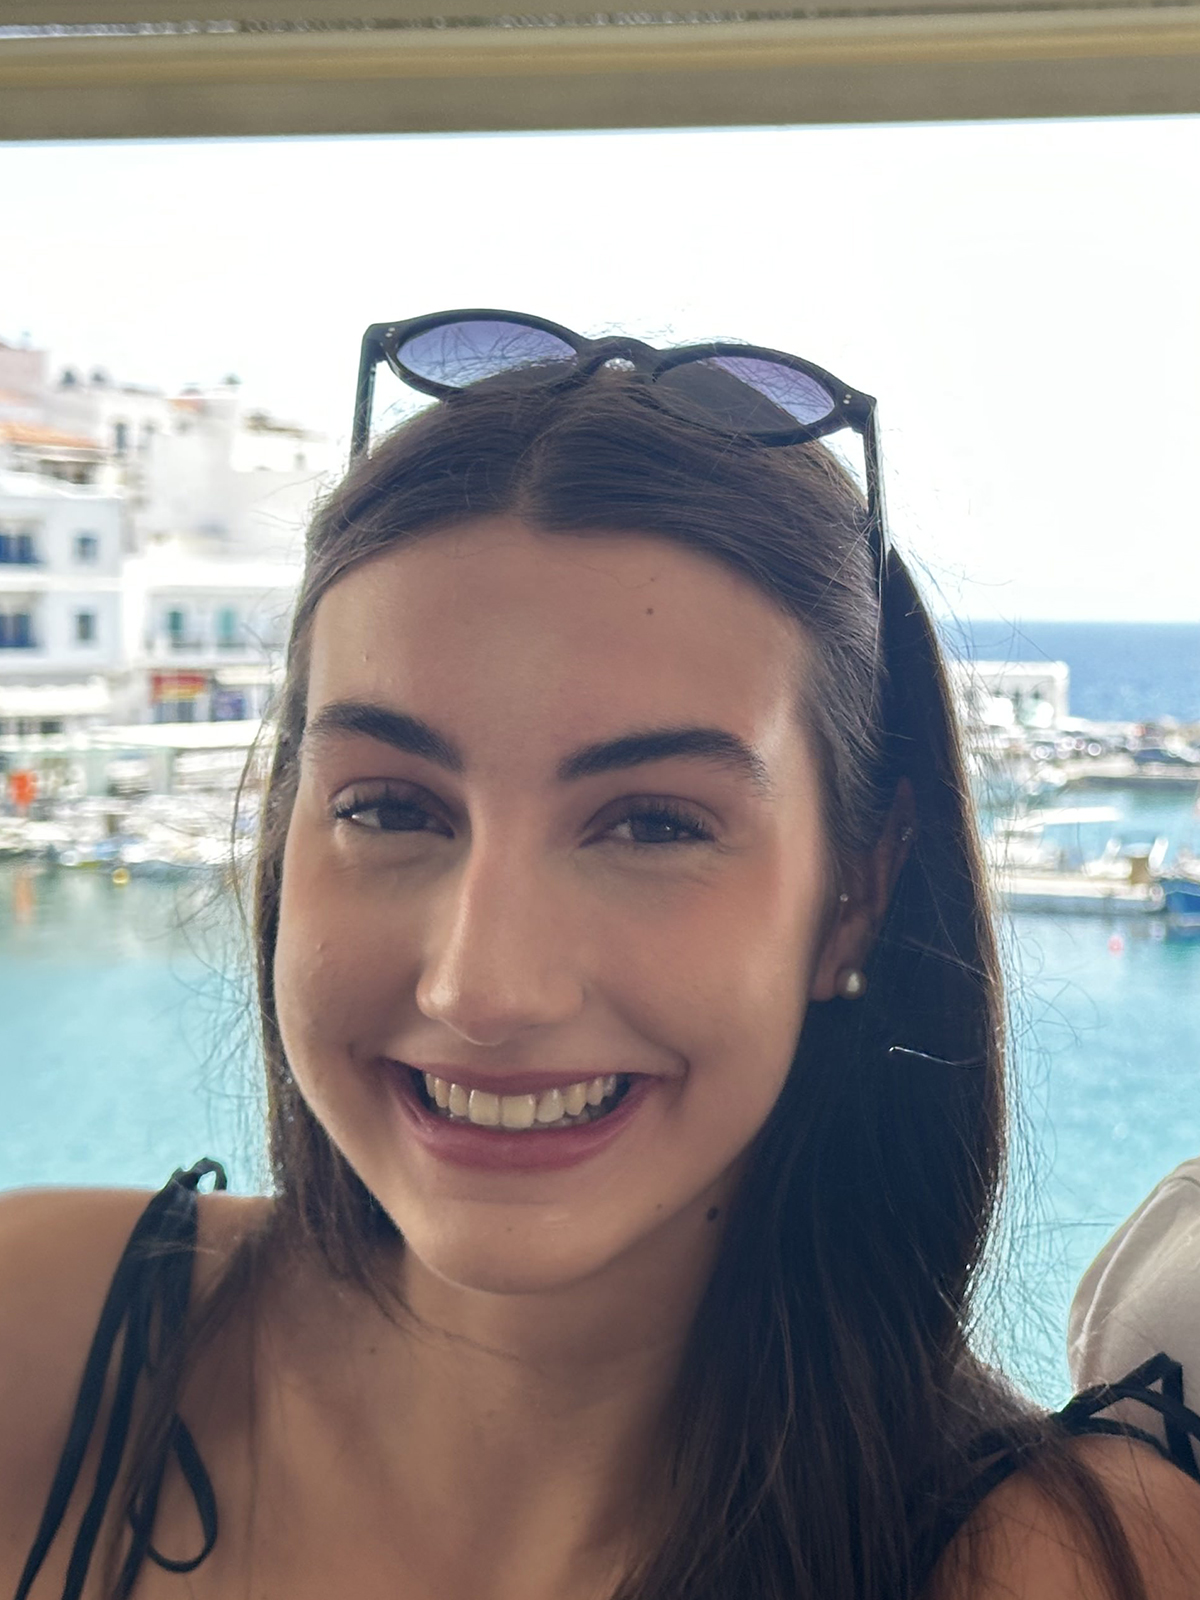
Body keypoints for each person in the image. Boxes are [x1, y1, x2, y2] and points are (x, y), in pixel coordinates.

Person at [3, 310, 1200, 1600]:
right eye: (391, 809)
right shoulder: (38, 1342)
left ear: (856, 892)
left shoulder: (1055, 1566)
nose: (483, 988)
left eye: (654, 825)